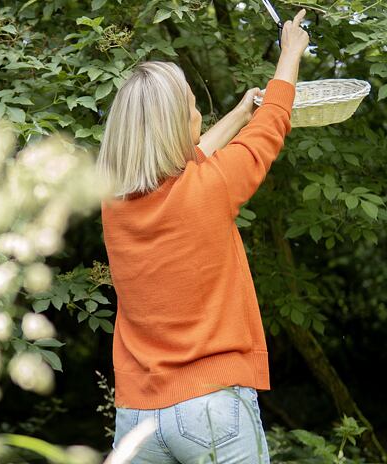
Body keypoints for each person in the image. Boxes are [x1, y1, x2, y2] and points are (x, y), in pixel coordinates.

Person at [97, 8, 309, 464]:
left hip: (138, 415)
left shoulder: (113, 207)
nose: (197, 111)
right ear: (177, 125)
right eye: (192, 105)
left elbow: (183, 162)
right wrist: (289, 55)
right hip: (211, 408)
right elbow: (270, 129)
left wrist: (236, 114)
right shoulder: (211, 188)